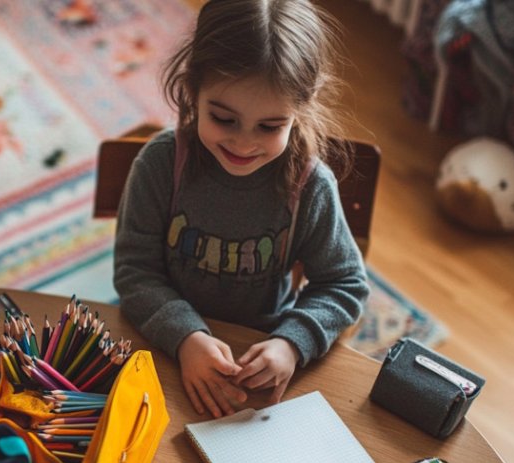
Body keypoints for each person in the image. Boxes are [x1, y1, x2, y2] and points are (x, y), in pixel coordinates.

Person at [113, 0, 370, 418]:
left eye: (270, 127)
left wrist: (292, 342)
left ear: (300, 111)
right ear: (193, 88)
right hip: (165, 347)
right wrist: (186, 337)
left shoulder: (310, 186)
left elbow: (344, 285)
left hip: (260, 363)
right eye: (223, 118)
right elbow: (134, 271)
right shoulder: (162, 163)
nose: (244, 143)